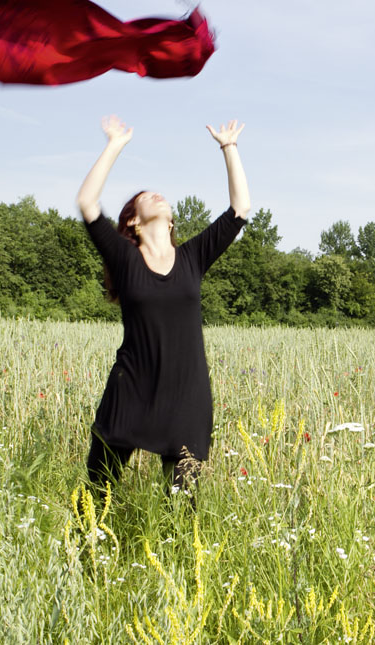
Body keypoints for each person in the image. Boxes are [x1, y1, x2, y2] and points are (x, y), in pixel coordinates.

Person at [76, 115, 250, 497]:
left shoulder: (192, 257)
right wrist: (115, 145)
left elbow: (239, 210)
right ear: (134, 222)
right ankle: (83, 553)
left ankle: (178, 558)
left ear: (171, 222)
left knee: (182, 507)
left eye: (160, 196)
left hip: (186, 394)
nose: (156, 194)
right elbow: (88, 202)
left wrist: (229, 147)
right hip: (132, 388)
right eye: (144, 196)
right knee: (96, 493)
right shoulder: (125, 259)